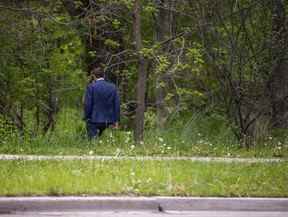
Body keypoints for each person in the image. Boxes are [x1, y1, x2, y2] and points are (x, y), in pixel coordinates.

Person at [84, 67, 120, 139]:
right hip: (109, 120)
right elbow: (116, 104)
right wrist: (116, 120)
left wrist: (87, 117)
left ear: (94, 76)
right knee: (107, 140)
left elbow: (88, 104)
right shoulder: (113, 87)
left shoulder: (91, 87)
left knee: (93, 140)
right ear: (103, 76)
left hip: (94, 119)